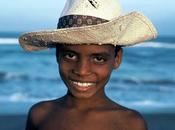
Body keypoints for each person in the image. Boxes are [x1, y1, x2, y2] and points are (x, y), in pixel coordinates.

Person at [19, 0, 157, 130]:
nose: (82, 71)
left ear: (117, 59)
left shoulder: (130, 124)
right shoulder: (39, 115)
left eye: (98, 58)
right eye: (70, 55)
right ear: (57, 55)